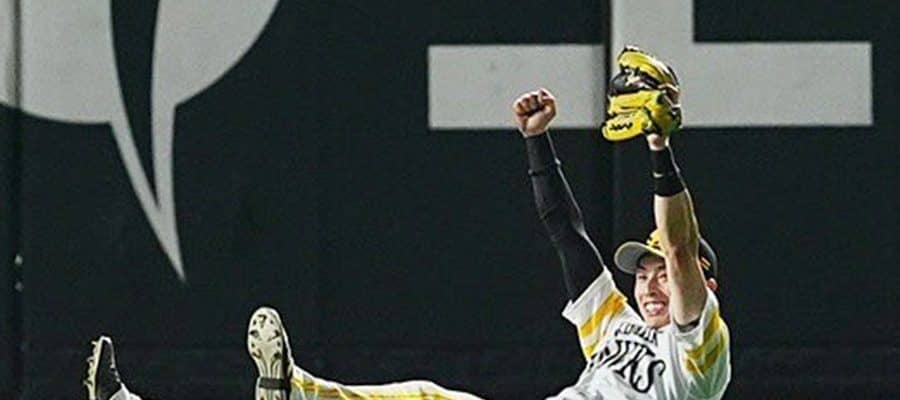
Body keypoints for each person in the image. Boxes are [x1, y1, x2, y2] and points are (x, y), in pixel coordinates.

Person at [83, 47, 730, 400]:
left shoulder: (698, 356)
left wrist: (657, 148)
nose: (650, 280)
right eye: (642, 271)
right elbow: (567, 232)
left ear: (705, 285)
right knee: (420, 397)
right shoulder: (613, 324)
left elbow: (679, 248)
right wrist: (536, 141)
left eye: (662, 273)